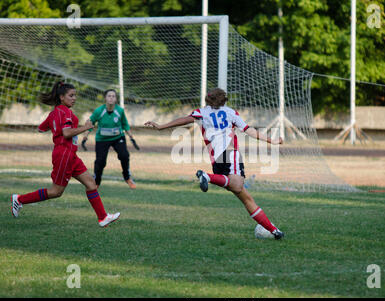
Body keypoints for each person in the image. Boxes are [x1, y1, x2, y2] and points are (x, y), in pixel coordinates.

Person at [144, 88, 285, 239]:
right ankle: (207, 177)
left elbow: (183, 120)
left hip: (216, 160)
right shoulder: (231, 112)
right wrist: (273, 141)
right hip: (230, 154)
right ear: (224, 100)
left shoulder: (202, 112)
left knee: (245, 196)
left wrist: (161, 126)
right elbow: (249, 130)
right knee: (238, 186)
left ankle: (274, 231)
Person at [10, 81, 121, 227]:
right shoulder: (66, 112)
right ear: (62, 97)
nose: (74, 98)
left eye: (75, 95)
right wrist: (85, 127)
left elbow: (41, 129)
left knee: (91, 184)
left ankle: (103, 218)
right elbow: (67, 133)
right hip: (64, 155)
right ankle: (19, 200)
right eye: (71, 95)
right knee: (56, 192)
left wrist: (55, 125)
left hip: (70, 155)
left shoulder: (55, 112)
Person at [81, 89, 139, 189]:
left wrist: (131, 137)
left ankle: (127, 178)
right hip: (102, 139)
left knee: (124, 155)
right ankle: (96, 182)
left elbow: (125, 124)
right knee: (100, 161)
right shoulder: (99, 111)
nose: (111, 98)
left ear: (116, 99)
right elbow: (90, 123)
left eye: (113, 96)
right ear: (105, 98)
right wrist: (85, 136)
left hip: (118, 138)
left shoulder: (120, 111)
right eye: (109, 96)